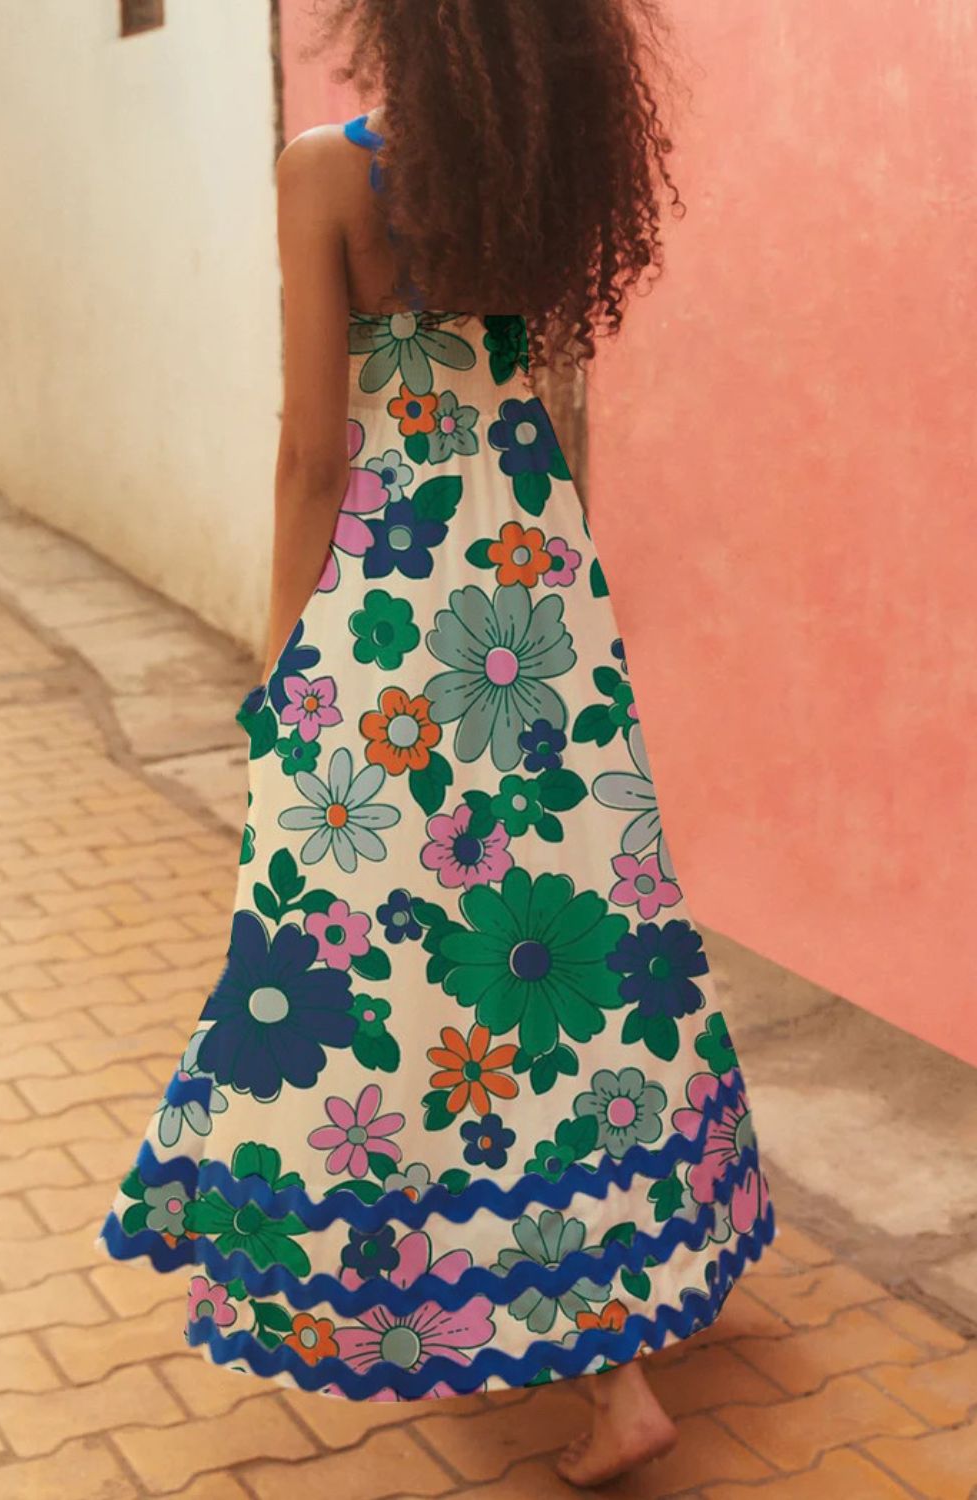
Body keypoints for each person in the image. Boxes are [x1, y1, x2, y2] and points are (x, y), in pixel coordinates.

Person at [97, 1, 775, 1486]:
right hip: (533, 585)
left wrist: (279, 654)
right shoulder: (530, 173)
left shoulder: (327, 170)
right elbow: (534, 400)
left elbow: (313, 448)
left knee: (372, 948)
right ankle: (627, 1297)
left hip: (395, 608)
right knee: (567, 935)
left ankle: (551, 1340)